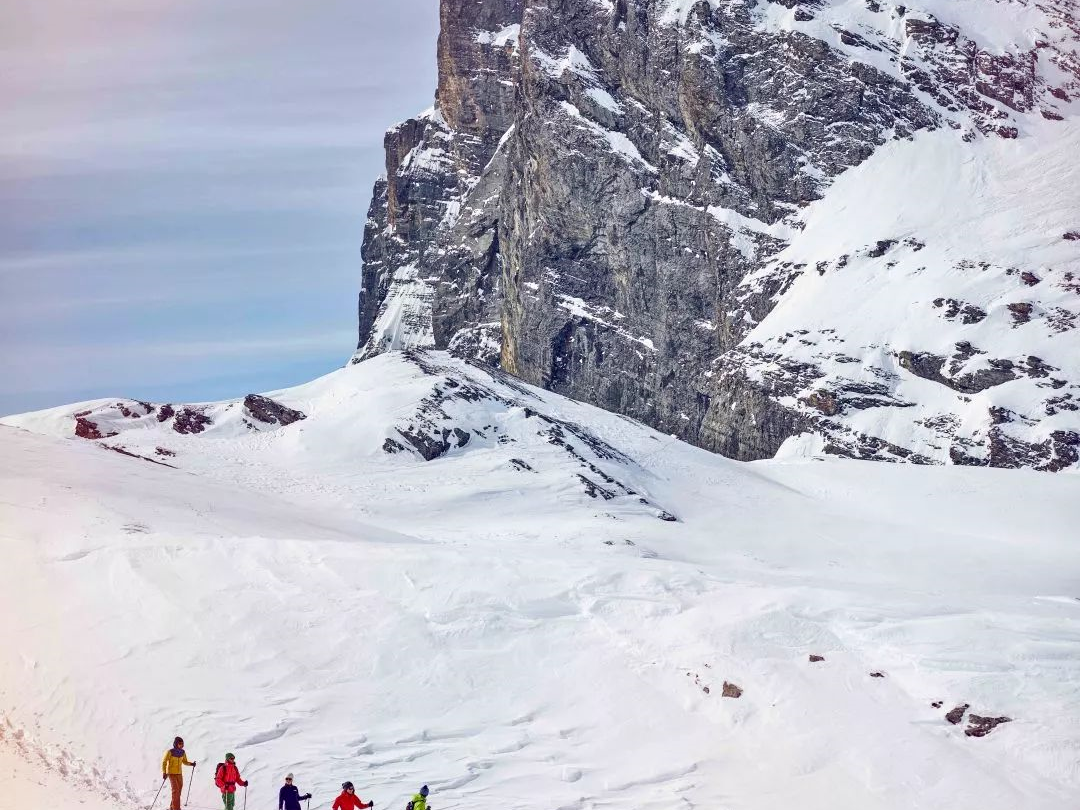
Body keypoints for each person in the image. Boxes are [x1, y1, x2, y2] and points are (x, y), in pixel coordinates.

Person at [161, 736, 196, 810]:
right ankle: (176, 808)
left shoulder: (182, 752)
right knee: (175, 790)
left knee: (178, 791)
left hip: (179, 774)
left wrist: (191, 764)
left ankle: (172, 807)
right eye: (180, 744)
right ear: (176, 744)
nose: (181, 745)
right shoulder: (170, 752)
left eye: (182, 744)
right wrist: (164, 772)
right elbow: (164, 762)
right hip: (171, 774)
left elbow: (184, 761)